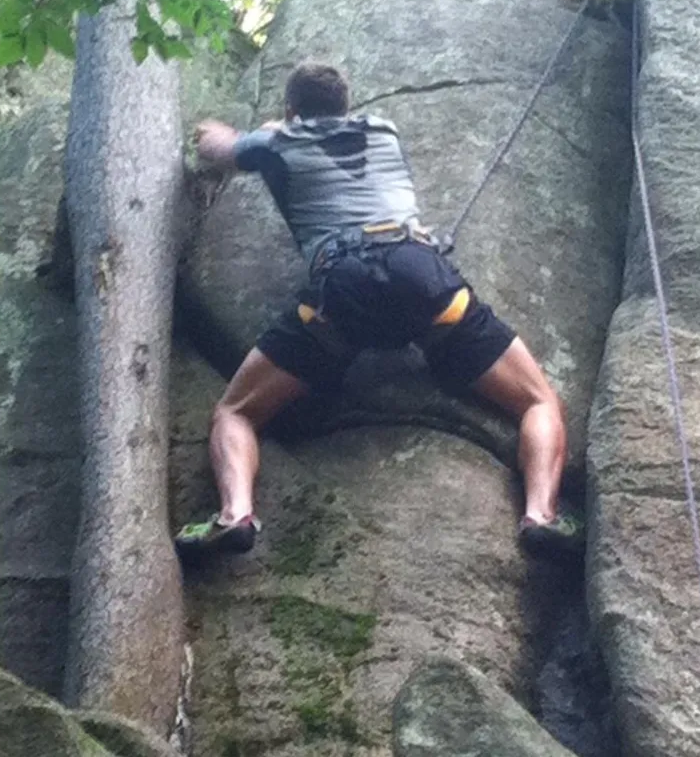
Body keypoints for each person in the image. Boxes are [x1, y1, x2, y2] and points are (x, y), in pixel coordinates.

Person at [175, 60, 583, 562]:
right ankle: (540, 515)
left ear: (290, 109)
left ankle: (234, 514)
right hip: (421, 276)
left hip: (343, 294)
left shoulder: (275, 144)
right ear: (347, 105)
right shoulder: (384, 130)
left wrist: (230, 132)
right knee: (538, 400)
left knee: (235, 412)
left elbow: (215, 148)